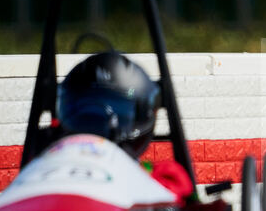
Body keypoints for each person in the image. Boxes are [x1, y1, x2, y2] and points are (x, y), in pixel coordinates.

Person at [57, 51, 193, 201]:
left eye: (119, 110)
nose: (98, 122)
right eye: (88, 112)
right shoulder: (44, 159)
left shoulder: (162, 179)